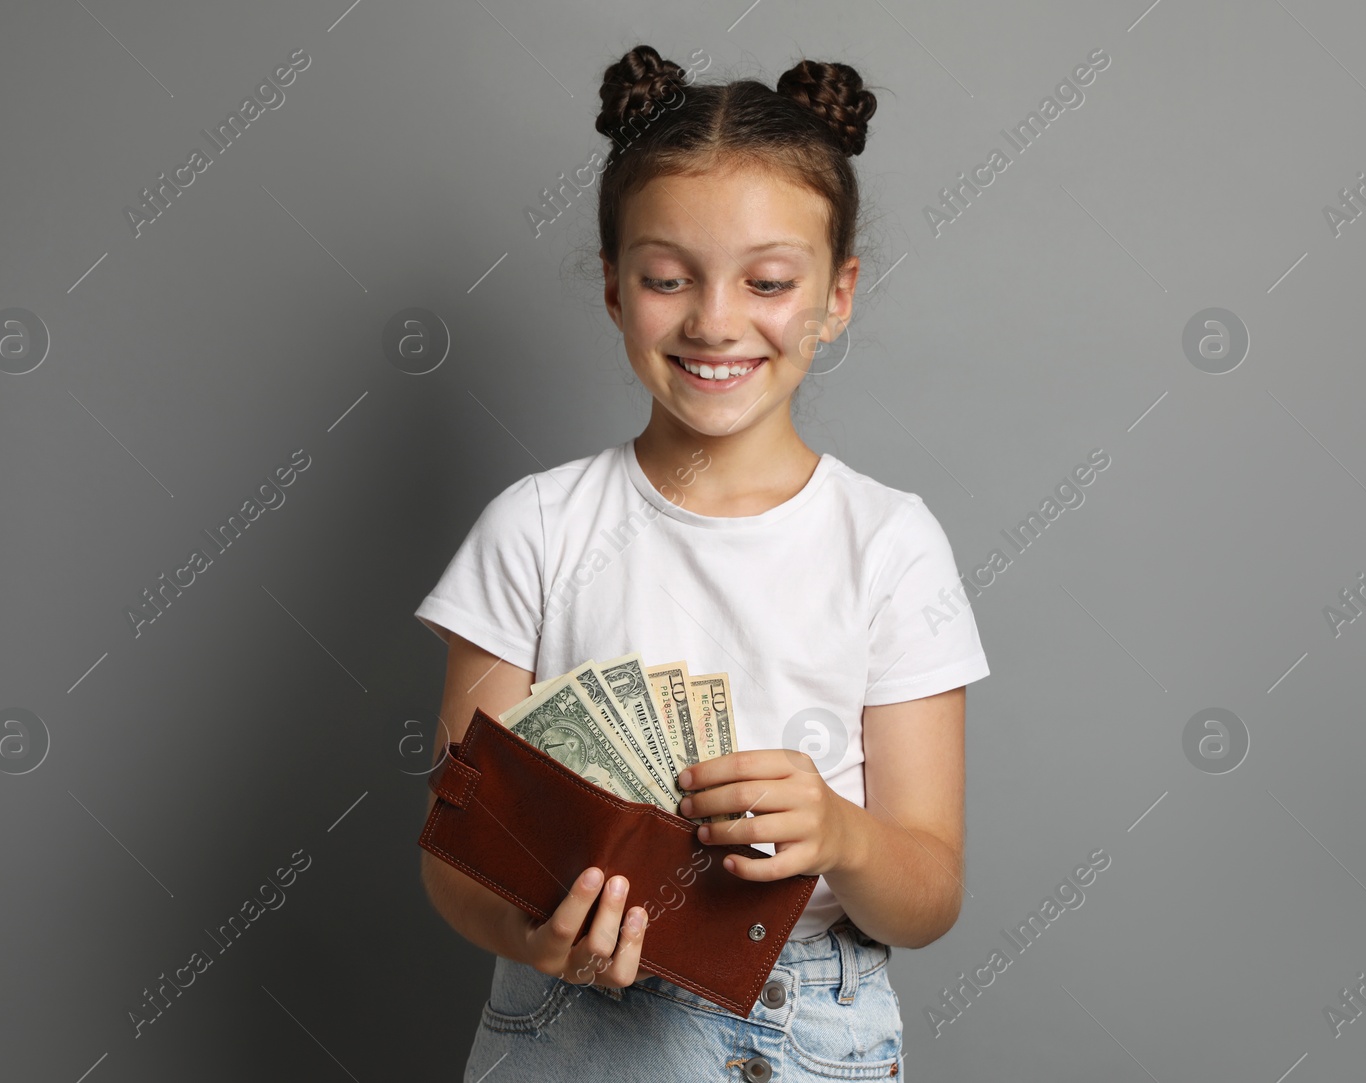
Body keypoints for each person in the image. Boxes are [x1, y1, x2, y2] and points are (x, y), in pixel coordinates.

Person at [415, 43, 991, 1082]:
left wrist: (843, 835)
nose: (715, 320)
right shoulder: (535, 530)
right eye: (668, 278)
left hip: (809, 1022)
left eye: (768, 280)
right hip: (571, 1020)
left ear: (837, 293)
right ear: (612, 288)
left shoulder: (891, 544)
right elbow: (459, 854)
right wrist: (535, 939)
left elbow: (929, 890)